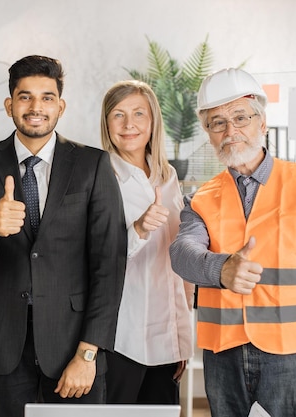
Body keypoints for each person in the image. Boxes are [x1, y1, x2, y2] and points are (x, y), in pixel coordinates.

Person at [0, 55, 127, 417]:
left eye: (46, 97)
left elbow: (110, 264)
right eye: (25, 97)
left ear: (60, 106)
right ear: (10, 104)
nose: (35, 107)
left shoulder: (93, 165)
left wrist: (88, 353)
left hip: (72, 343)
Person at [169, 67, 296, 417]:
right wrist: (222, 269)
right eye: (217, 122)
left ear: (262, 123)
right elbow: (182, 254)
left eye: (240, 117)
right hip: (225, 360)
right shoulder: (202, 198)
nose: (230, 131)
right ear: (208, 133)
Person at [99, 80, 194, 405]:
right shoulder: (99, 176)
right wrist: (138, 228)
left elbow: (176, 262)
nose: (129, 125)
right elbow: (93, 257)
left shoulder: (167, 177)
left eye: (139, 113)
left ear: (153, 120)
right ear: (106, 123)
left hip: (166, 337)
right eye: (119, 115)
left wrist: (180, 338)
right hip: (122, 338)